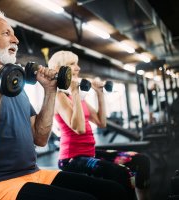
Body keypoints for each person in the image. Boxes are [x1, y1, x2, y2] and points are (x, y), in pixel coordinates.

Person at [0, 10, 130, 200]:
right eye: (6, 33)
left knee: (112, 191)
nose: (16, 39)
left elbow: (41, 138)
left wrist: (50, 90)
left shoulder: (15, 87)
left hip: (33, 174)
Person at [48, 50, 151, 200]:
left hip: (90, 153)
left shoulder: (78, 97)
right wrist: (75, 93)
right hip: (71, 159)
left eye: (77, 64)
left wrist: (99, 93)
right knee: (121, 174)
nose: (78, 68)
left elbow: (101, 123)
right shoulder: (59, 97)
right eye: (72, 64)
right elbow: (79, 128)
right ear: (60, 70)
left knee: (141, 161)